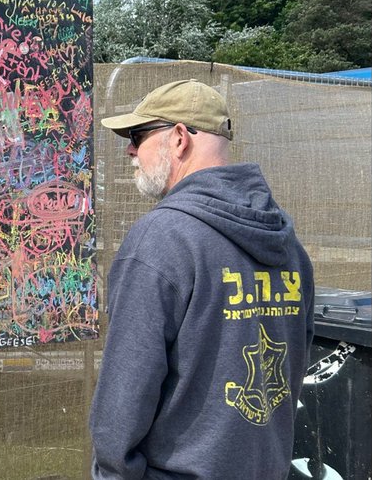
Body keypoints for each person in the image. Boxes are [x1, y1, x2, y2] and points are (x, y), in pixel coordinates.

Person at [89, 79, 315, 479]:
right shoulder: (288, 244)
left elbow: (123, 399)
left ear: (179, 138)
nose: (130, 150)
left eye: (138, 136)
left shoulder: (161, 240)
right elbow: (294, 368)